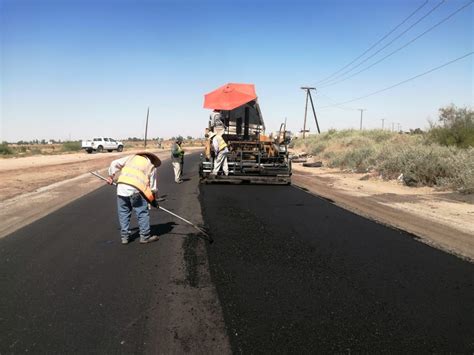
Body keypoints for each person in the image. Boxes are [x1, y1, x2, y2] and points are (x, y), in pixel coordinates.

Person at [107, 152, 161, 245]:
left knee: (123, 213)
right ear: (152, 159)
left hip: (121, 189)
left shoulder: (131, 158)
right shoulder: (151, 166)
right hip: (137, 190)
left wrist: (111, 176)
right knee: (142, 213)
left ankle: (124, 237)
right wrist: (153, 201)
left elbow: (114, 163)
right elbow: (152, 188)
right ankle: (145, 237)